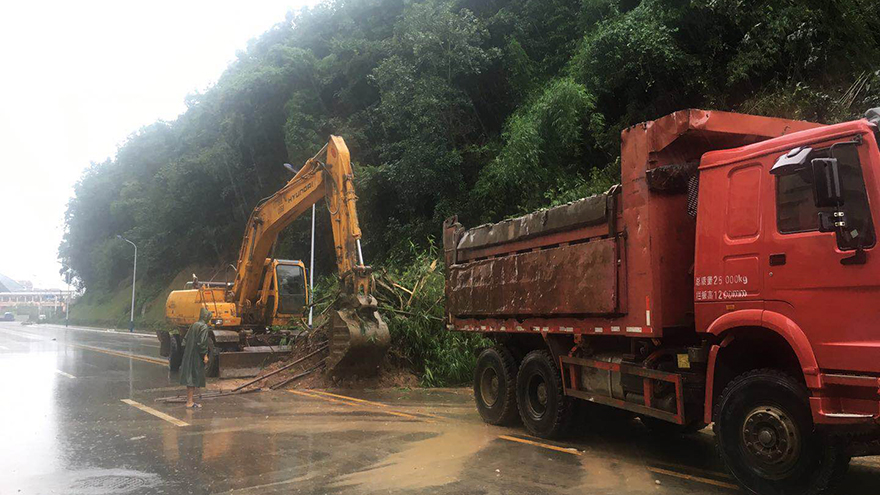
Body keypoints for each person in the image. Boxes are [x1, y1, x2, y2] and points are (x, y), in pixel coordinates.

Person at [180, 307, 211, 408]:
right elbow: (202, 343)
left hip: (189, 354)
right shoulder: (204, 327)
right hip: (196, 356)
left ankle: (190, 400)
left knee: (190, 377)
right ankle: (189, 402)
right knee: (193, 377)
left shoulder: (193, 325)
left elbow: (185, 340)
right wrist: (205, 355)